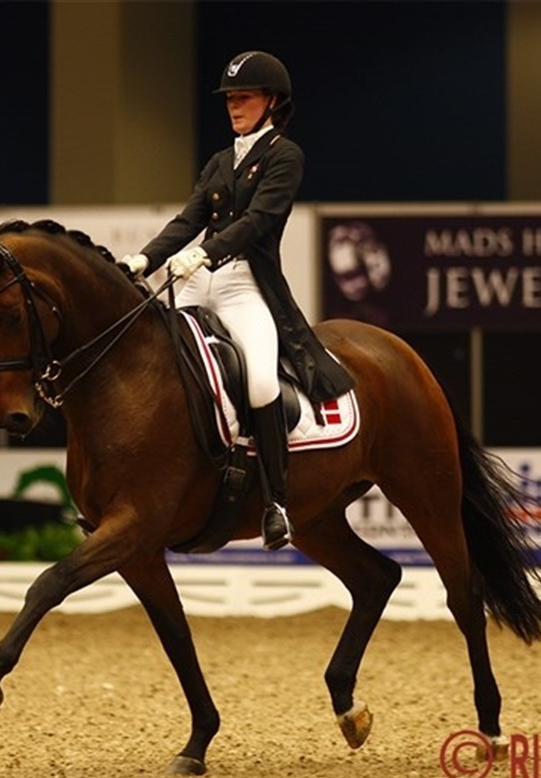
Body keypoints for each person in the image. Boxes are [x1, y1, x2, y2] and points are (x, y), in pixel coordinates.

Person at [119, 51, 355, 551]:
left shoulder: (285, 156)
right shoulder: (220, 162)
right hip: (195, 280)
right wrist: (143, 259)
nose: (233, 106)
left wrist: (204, 252)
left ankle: (275, 503)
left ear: (272, 101)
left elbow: (259, 220)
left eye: (243, 97)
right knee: (149, 363)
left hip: (244, 283)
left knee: (261, 381)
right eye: (229, 98)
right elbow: (189, 219)